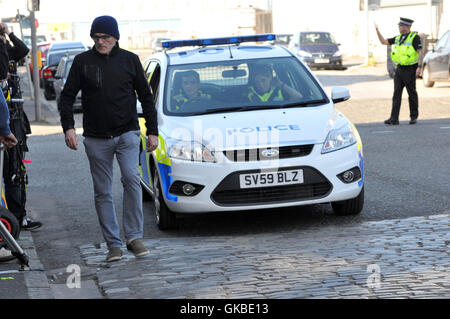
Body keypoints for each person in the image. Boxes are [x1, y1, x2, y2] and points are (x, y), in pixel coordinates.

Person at [59, 16, 159, 262]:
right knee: (102, 191)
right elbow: (67, 96)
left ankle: (134, 237)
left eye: (105, 37)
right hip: (96, 137)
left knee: (131, 179)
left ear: (115, 37)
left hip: (127, 133)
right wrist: (68, 128)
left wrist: (153, 131)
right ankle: (113, 244)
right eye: (96, 37)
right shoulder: (83, 62)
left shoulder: (130, 60)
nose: (100, 41)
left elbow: (146, 97)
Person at [375, 17, 422, 125]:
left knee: (412, 93)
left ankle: (413, 117)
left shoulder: (415, 37)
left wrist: (419, 67)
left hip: (410, 69)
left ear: (407, 26)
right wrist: (377, 31)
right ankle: (394, 118)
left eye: (400, 26)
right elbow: (384, 42)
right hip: (399, 69)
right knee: (396, 94)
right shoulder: (398, 38)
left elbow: (420, 52)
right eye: (399, 26)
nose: (399, 27)